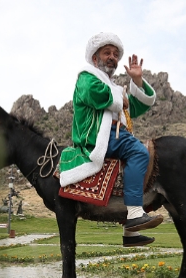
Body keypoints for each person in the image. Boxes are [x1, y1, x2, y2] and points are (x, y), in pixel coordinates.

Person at [59, 32, 161, 247]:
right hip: (100, 138)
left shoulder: (114, 87)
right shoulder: (86, 77)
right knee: (138, 153)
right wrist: (120, 98)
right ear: (95, 58)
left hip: (117, 136)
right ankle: (134, 213)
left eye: (115, 54)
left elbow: (135, 105)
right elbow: (95, 93)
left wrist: (137, 80)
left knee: (129, 168)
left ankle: (130, 234)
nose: (112, 57)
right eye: (107, 53)